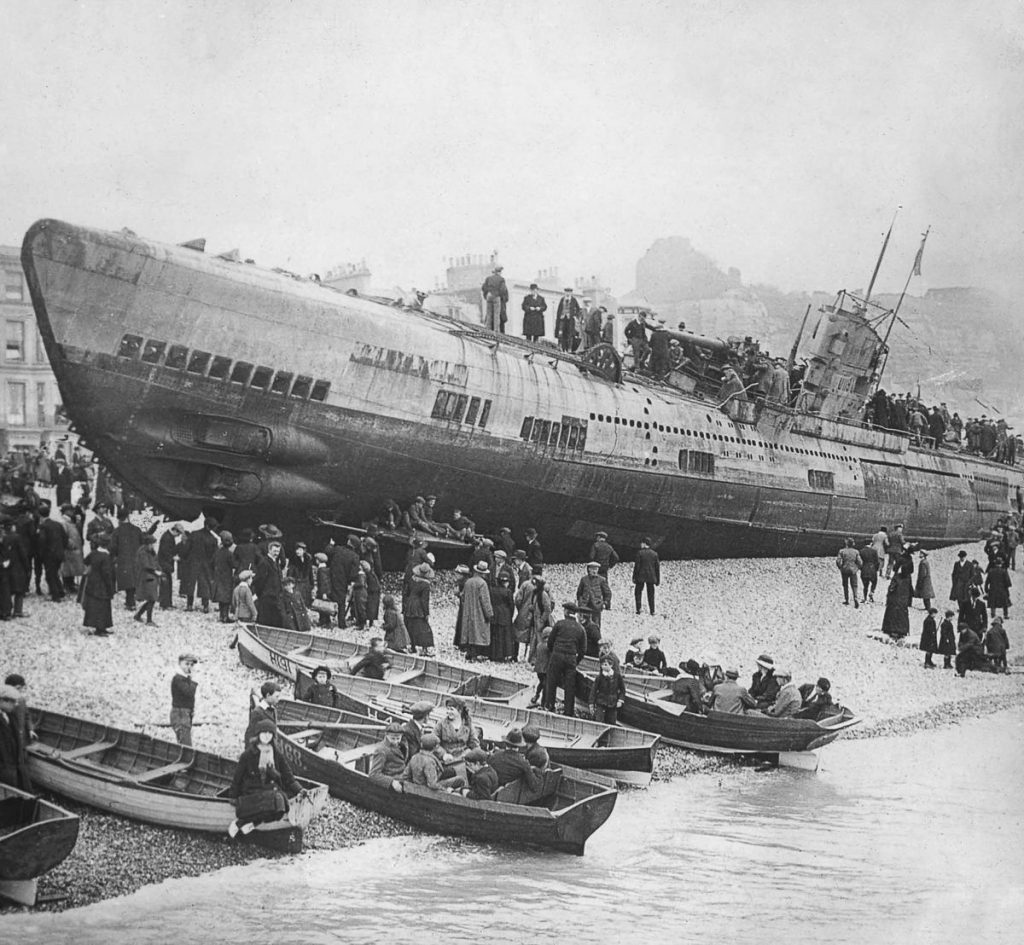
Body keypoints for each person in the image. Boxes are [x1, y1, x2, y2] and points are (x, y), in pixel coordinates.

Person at [228, 719, 301, 837]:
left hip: (271, 789)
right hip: (252, 790)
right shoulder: (248, 755)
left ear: (273, 736)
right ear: (258, 735)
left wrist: (300, 789)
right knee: (275, 800)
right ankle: (239, 823)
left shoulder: (277, 754)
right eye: (264, 733)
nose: (267, 736)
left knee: (280, 808)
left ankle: (250, 823)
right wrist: (233, 796)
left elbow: (288, 776)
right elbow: (237, 777)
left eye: (270, 733)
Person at [543, 602, 587, 716]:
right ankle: (568, 712)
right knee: (570, 686)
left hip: (557, 655)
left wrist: (555, 652)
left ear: (566, 612)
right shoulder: (580, 628)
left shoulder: (559, 624)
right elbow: (583, 650)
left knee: (551, 681)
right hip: (571, 657)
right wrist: (575, 661)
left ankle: (549, 706)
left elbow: (550, 642)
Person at [81, 533, 116, 636]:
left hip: (92, 583)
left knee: (94, 606)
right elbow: (107, 574)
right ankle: (100, 629)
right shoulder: (106, 557)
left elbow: (85, 561)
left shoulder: (94, 553)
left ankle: (99, 627)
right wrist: (111, 587)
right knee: (103, 607)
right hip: (102, 585)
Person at [109, 508, 142, 610]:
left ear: (119, 519)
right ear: (128, 517)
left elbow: (113, 547)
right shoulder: (137, 529)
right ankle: (133, 600)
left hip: (123, 560)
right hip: (136, 558)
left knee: (128, 581)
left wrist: (113, 557)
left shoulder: (117, 531)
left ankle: (130, 603)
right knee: (134, 579)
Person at [460, 561, 494, 661]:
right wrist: (489, 614)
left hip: (468, 610)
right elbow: (485, 601)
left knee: (469, 632)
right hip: (479, 612)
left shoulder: (468, 581)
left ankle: (469, 653)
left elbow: (462, 596)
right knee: (478, 632)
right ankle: (475, 654)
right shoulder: (482, 584)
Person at [0, 685, 31, 788]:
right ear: (3, 701)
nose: (16, 704)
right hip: (4, 767)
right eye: (13, 701)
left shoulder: (10, 715)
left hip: (16, 763)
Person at [405, 562, 435, 656]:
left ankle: (413, 647)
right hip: (418, 607)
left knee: (411, 626)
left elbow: (406, 593)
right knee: (423, 627)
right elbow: (424, 600)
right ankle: (424, 649)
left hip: (410, 604)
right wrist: (426, 613)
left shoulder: (412, 580)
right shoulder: (425, 585)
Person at [253, 540, 285, 628]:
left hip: (275, 595)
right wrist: (261, 594)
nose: (276, 553)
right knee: (266, 622)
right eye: (274, 551)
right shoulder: (264, 562)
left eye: (278, 551)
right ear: (269, 550)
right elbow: (259, 580)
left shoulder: (276, 562)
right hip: (267, 596)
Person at [368, 721, 408, 790]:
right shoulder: (381, 750)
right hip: (394, 783)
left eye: (398, 738)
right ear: (386, 735)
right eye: (392, 738)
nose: (395, 742)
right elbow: (373, 774)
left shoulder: (401, 746)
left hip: (402, 778)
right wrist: (392, 782)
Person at [170, 653, 199, 745]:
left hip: (184, 714)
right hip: (180, 715)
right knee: (186, 746)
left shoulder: (184, 679)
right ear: (179, 664)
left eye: (191, 665)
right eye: (186, 664)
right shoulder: (178, 679)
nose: (189, 667)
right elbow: (189, 692)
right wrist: (193, 679)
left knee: (184, 744)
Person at [132, 533, 161, 626]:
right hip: (147, 577)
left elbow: (155, 562)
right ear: (148, 544)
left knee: (151, 599)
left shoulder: (149, 551)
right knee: (151, 598)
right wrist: (155, 571)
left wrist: (158, 569)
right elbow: (145, 565)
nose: (153, 546)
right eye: (152, 544)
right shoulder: (142, 552)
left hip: (151, 577)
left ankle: (138, 615)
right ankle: (149, 620)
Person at [589, 657, 626, 724]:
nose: (603, 666)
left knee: (611, 722)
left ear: (611, 665)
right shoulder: (599, 677)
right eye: (602, 665)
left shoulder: (617, 676)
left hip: (613, 703)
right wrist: (591, 704)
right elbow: (593, 691)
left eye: (605, 665)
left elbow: (622, 690)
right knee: (599, 721)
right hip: (601, 702)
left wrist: (620, 700)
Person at [489, 572, 516, 662]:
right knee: (504, 636)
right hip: (505, 615)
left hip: (494, 613)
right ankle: (503, 655)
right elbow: (511, 605)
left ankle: (493, 654)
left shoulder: (492, 590)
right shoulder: (508, 592)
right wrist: (510, 615)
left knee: (495, 634)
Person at [576, 561, 612, 629]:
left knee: (596, 625)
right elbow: (579, 593)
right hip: (585, 606)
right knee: (584, 624)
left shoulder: (601, 580)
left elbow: (608, 593)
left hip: (596, 606)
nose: (594, 571)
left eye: (596, 569)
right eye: (593, 569)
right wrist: (580, 602)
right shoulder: (584, 579)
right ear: (589, 569)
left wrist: (605, 603)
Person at [212, 531, 237, 623]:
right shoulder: (229, 554)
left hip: (218, 576)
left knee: (220, 597)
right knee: (226, 598)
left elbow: (212, 562)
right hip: (227, 577)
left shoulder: (217, 552)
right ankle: (225, 616)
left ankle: (221, 616)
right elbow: (234, 565)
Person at [632, 536, 660, 616]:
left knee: (638, 592)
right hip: (651, 576)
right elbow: (657, 568)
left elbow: (637, 566)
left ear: (644, 544)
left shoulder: (640, 553)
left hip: (641, 576)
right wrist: (658, 579)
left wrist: (634, 576)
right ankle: (652, 610)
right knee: (651, 593)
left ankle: (638, 609)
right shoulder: (654, 554)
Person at [527, 625, 552, 709]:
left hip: (538, 669)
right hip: (545, 669)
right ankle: (543, 703)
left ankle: (536, 696)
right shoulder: (549, 646)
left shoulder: (539, 645)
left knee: (541, 683)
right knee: (546, 686)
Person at [481, 264, 508, 334]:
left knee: (489, 313)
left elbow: (483, 287)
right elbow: (503, 290)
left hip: (489, 296)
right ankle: (496, 330)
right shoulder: (501, 279)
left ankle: (488, 329)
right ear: (499, 272)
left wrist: (487, 294)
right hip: (496, 297)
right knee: (496, 314)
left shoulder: (488, 278)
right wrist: (498, 294)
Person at [836, 538, 862, 607]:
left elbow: (838, 561)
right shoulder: (856, 552)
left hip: (844, 569)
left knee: (845, 585)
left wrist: (840, 567)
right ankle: (855, 597)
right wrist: (857, 568)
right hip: (853, 569)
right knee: (854, 585)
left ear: (847, 543)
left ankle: (847, 600)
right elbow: (860, 562)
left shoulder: (842, 551)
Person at [859, 539, 880, 603]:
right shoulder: (874, 551)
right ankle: (872, 592)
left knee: (865, 585)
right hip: (872, 568)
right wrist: (876, 569)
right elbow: (877, 561)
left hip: (864, 568)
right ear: (871, 543)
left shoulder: (861, 551)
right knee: (874, 582)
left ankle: (865, 598)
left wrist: (861, 568)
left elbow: (859, 561)